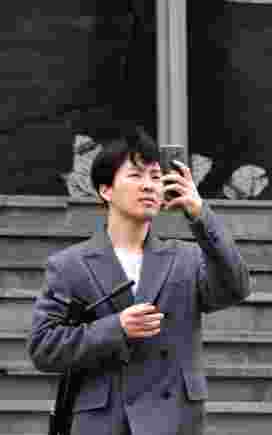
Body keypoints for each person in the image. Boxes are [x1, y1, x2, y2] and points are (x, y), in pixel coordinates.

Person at [27, 129, 251, 435]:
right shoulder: (69, 265)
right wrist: (116, 328)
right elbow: (44, 347)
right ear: (106, 190)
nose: (149, 185)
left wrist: (200, 215)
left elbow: (236, 287)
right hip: (104, 423)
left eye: (157, 177)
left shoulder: (185, 258)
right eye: (135, 175)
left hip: (174, 421)